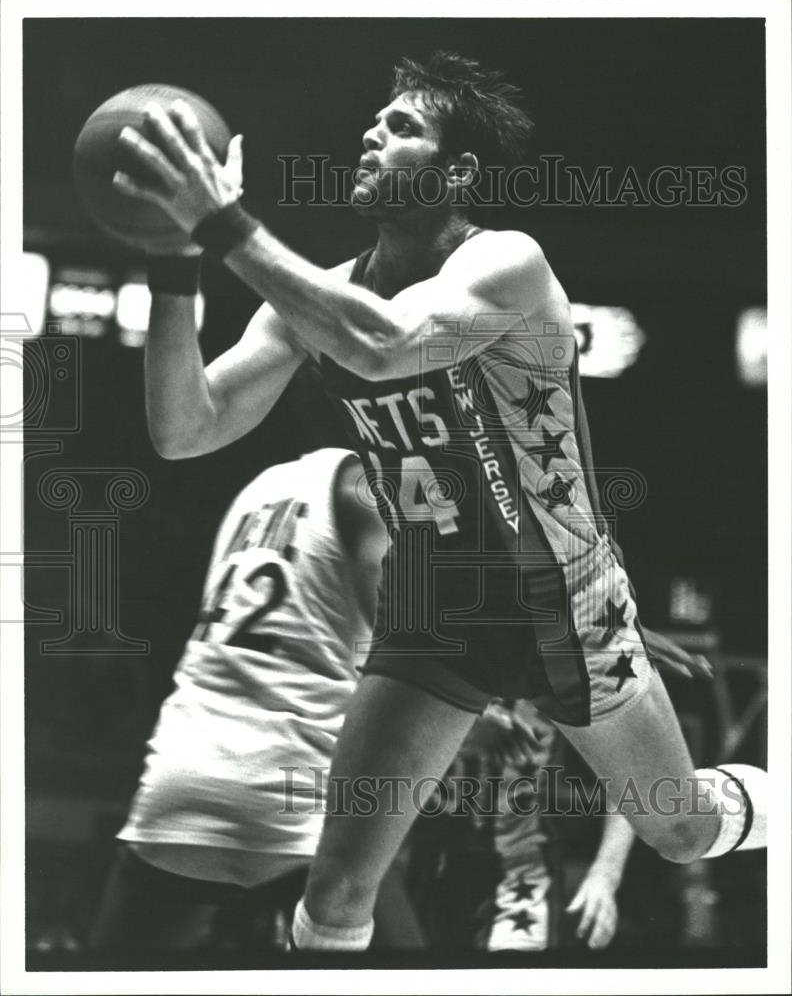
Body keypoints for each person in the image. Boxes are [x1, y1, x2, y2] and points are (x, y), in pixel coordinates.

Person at [114, 50, 766, 951]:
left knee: (679, 828)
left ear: (457, 172)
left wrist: (224, 224)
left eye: (402, 127)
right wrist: (175, 265)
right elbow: (184, 428)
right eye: (374, 122)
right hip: (433, 606)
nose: (372, 134)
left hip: (564, 601)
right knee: (339, 891)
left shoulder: (507, 264)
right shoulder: (318, 299)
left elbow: (384, 345)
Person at [89, 447, 423, 952]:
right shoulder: (370, 486)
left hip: (182, 774)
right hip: (297, 789)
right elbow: (411, 651)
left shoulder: (262, 485)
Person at [408, 698, 636, 952]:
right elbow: (365, 710)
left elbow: (630, 770)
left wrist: (606, 875)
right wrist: (463, 725)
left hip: (522, 867)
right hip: (427, 861)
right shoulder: (426, 660)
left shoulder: (568, 670)